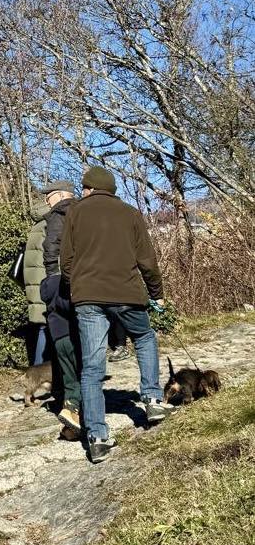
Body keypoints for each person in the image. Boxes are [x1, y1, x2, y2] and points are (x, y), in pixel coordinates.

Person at [60, 166, 171, 463]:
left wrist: (79, 284)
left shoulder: (75, 212)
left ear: (89, 189)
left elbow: (66, 262)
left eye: (84, 188)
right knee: (144, 337)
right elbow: (147, 260)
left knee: (92, 367)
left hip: (88, 297)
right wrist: (157, 293)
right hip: (127, 293)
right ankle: (152, 399)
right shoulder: (130, 213)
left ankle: (97, 438)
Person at [38, 180, 81, 434]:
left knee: (65, 346)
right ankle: (80, 408)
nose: (47, 200)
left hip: (61, 284)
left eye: (50, 195)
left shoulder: (59, 213)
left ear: (63, 195)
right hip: (86, 284)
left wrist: (51, 278)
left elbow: (50, 248)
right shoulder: (84, 211)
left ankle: (73, 406)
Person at [23, 202, 54, 366]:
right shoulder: (50, 225)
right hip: (46, 283)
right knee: (50, 328)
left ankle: (38, 370)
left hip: (35, 284)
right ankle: (41, 371)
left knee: (43, 328)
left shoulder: (37, 226)